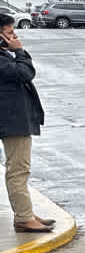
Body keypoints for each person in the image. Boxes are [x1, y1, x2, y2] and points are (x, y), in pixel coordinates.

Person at [0, 13, 54, 233]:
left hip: (11, 117)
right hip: (11, 119)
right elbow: (24, 73)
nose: (15, 36)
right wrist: (20, 51)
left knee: (19, 168)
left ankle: (26, 212)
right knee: (18, 170)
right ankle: (23, 217)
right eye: (10, 32)